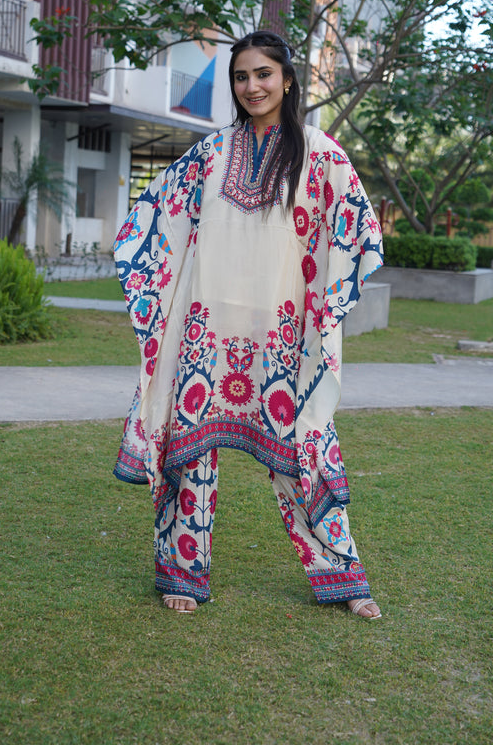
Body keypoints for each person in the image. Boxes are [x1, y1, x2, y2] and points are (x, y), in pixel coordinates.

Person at [113, 30, 383, 619]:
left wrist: (326, 305)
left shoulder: (320, 153)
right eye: (241, 76)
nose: (252, 86)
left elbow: (358, 231)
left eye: (263, 74)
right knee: (191, 453)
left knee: (304, 448)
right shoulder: (210, 155)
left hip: (281, 335)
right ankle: (182, 571)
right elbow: (153, 216)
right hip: (204, 332)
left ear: (287, 79)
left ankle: (342, 575)